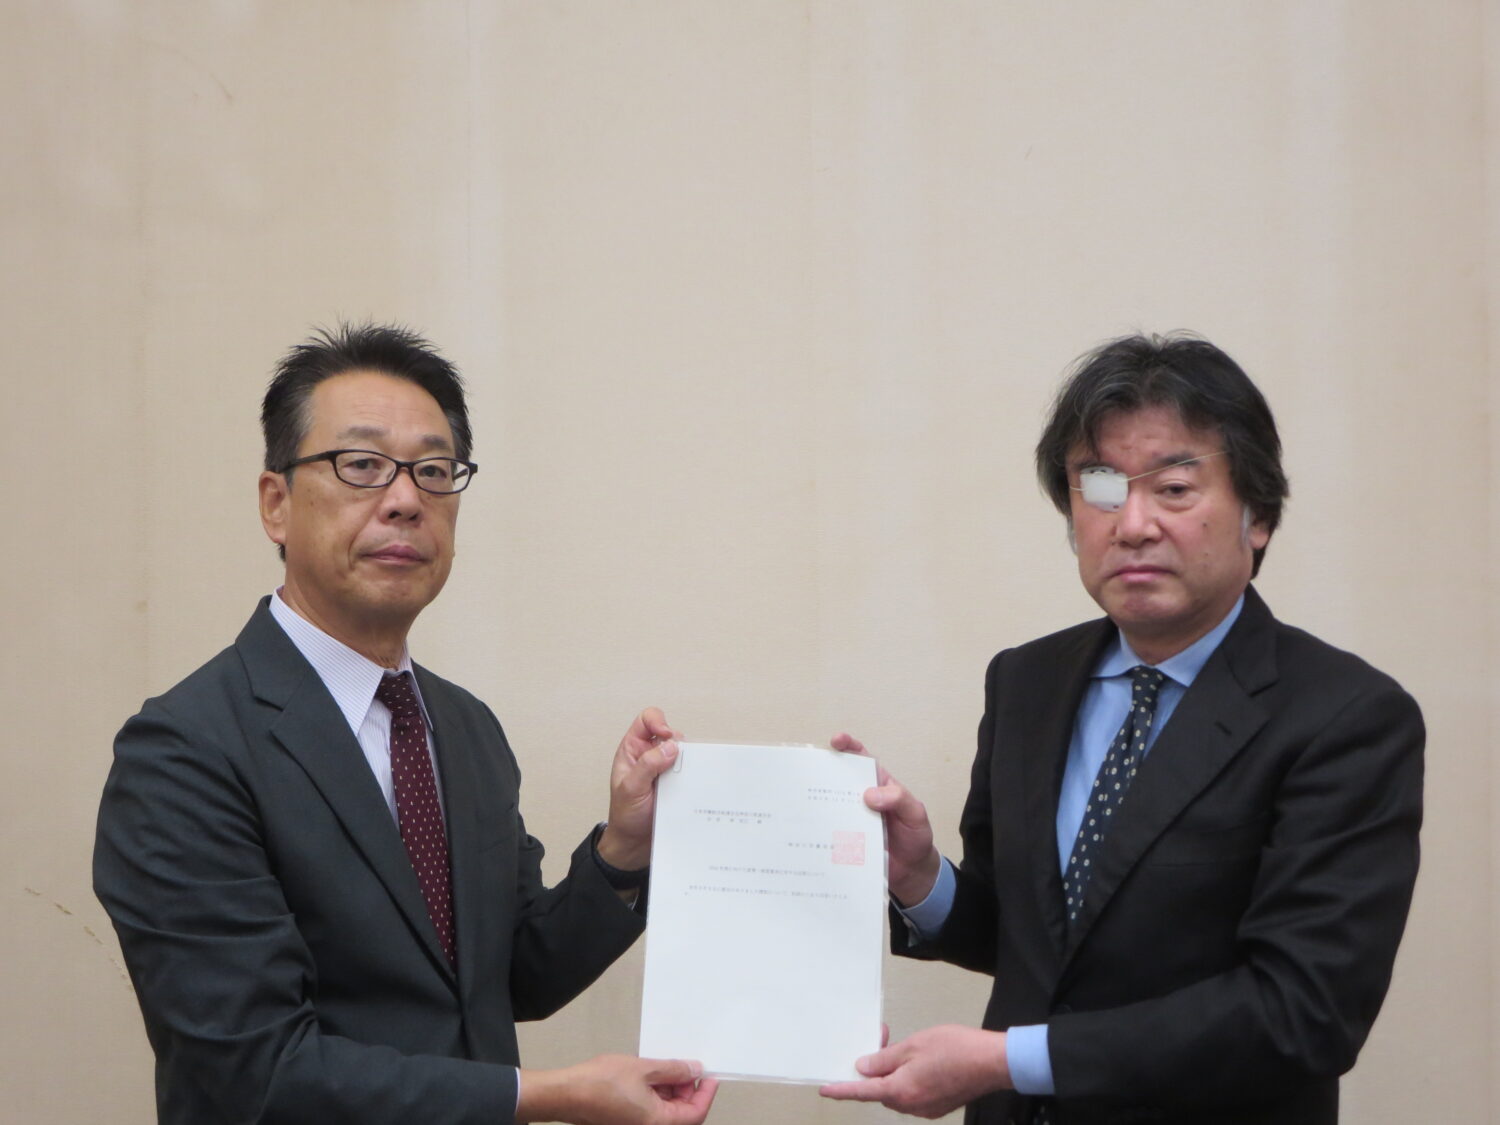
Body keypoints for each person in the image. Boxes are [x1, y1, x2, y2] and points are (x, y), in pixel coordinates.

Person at [94, 324, 718, 1125]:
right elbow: (255, 1073)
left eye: (432, 470)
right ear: (276, 503)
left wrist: (624, 850)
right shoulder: (184, 751)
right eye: (361, 465)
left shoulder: (464, 726)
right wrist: (546, 1094)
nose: (404, 499)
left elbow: (509, 976)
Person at [821, 333, 1423, 1124]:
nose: (1132, 523)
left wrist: (1010, 1061)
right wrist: (921, 877)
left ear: (1259, 515)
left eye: (1173, 487)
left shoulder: (1346, 716)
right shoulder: (1026, 680)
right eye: (1100, 487)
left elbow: (1302, 1010)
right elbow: (1038, 942)